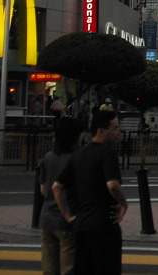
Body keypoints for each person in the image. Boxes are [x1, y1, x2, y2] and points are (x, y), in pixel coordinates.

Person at [52, 109, 128, 275]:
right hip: (104, 226)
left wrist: (69, 216)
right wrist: (124, 203)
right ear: (101, 131)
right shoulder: (108, 153)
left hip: (81, 225)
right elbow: (112, 185)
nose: (118, 133)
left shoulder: (78, 154)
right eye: (114, 128)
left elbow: (56, 186)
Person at [38, 117, 81, 275]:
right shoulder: (77, 158)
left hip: (47, 219)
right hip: (67, 220)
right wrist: (69, 215)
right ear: (75, 135)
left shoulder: (48, 157)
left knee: (49, 269)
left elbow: (43, 189)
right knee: (68, 268)